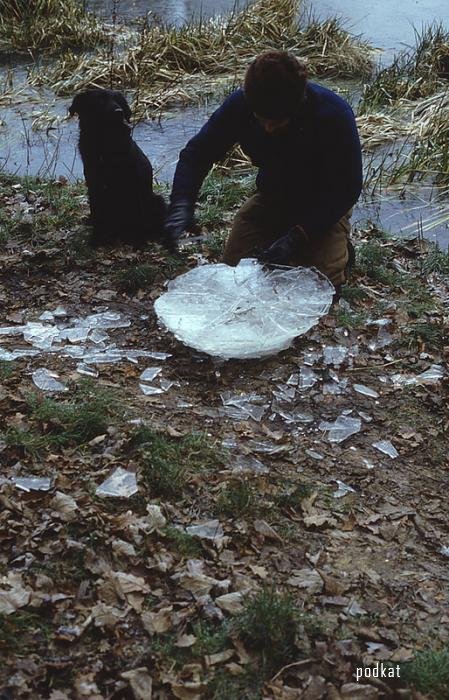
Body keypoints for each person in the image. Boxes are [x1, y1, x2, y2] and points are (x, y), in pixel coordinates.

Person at [163, 50, 363, 297]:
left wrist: (298, 237)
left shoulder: (333, 115)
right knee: (234, 274)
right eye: (261, 120)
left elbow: (348, 187)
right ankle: (286, 236)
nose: (268, 129)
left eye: (277, 123)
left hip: (323, 204)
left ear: (298, 104)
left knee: (319, 286)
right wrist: (181, 204)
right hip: (274, 196)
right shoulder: (241, 104)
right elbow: (197, 154)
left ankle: (340, 248)